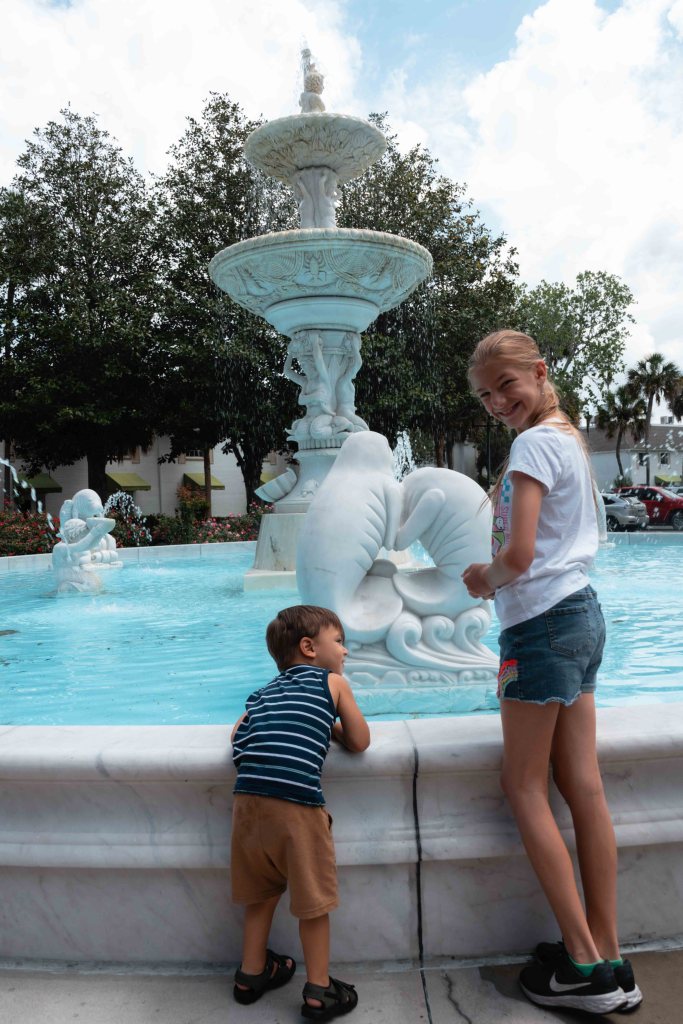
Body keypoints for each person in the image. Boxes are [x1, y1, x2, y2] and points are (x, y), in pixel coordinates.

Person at [462, 330, 642, 1015]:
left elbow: (521, 552)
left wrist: (484, 579)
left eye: (506, 385)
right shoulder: (567, 438)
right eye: (485, 396)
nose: (497, 402)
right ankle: (611, 956)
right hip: (581, 617)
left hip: (538, 623)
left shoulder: (533, 443)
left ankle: (582, 964)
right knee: (584, 787)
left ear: (538, 373)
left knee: (523, 786)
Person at [230, 604, 370, 1020]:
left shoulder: (261, 694)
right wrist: (332, 727)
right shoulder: (333, 683)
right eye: (339, 641)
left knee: (261, 897)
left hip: (247, 806)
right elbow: (360, 741)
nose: (344, 652)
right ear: (309, 647)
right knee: (313, 904)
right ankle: (319, 990)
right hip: (297, 807)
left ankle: (250, 975)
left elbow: (238, 735)